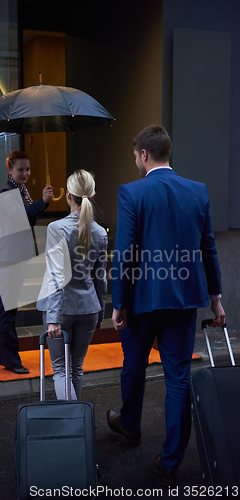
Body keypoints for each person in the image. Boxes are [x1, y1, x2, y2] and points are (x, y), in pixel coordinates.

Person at [108, 125, 225, 487]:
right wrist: (216, 299)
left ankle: (129, 425)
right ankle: (171, 460)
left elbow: (125, 252)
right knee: (177, 377)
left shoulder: (132, 192)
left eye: (135, 156)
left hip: (142, 300)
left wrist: (118, 302)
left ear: (144, 155)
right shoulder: (197, 191)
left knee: (134, 366)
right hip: (184, 300)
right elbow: (209, 248)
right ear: (167, 152)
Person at [0, 150, 53, 374]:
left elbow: (28, 216)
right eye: (20, 169)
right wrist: (42, 201)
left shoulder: (20, 190)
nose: (25, 173)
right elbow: (21, 219)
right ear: (10, 169)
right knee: (8, 309)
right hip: (9, 256)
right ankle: (10, 360)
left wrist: (43, 202)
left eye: (27, 169)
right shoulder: (7, 192)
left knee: (3, 305)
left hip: (13, 254)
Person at [37, 170, 108, 399]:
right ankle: (79, 423)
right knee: (76, 367)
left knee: (60, 370)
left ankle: (74, 426)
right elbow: (101, 277)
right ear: (92, 197)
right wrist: (100, 314)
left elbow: (57, 275)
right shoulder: (100, 232)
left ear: (68, 196)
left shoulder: (57, 228)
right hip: (89, 308)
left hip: (62, 309)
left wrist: (54, 318)